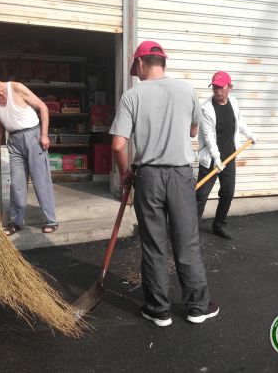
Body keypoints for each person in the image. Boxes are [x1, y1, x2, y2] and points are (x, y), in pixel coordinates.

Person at [110, 40, 218, 327]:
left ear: (140, 63)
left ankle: (158, 310)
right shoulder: (186, 90)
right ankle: (198, 307)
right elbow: (194, 129)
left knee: (154, 245)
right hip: (180, 176)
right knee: (187, 243)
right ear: (163, 62)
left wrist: (124, 173)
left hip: (147, 178)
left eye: (135, 68)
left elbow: (118, 145)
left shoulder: (132, 96)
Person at [0, 67, 58, 235]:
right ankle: (16, 222)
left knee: (40, 181)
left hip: (33, 137)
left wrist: (44, 135)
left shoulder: (16, 88)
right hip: (14, 141)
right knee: (16, 183)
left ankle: (51, 220)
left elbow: (43, 107)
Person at [196, 71, 256, 240]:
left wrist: (249, 134)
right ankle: (189, 230)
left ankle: (219, 225)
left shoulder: (234, 102)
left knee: (227, 193)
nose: (217, 90)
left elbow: (239, 122)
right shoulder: (205, 109)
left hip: (229, 157)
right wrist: (216, 158)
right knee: (201, 196)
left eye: (221, 87)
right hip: (211, 160)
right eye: (214, 87)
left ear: (230, 87)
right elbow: (208, 137)